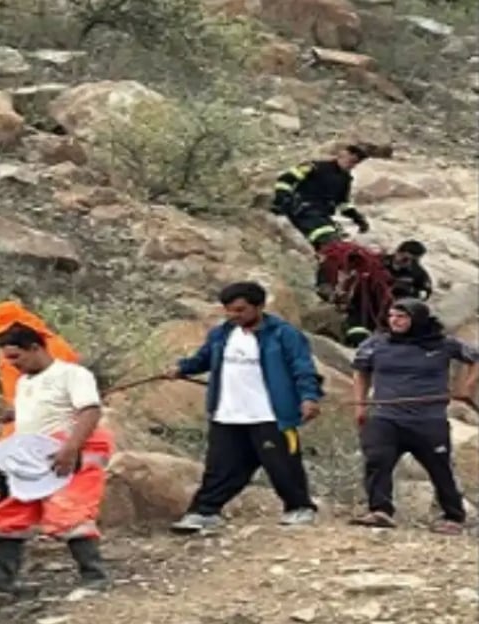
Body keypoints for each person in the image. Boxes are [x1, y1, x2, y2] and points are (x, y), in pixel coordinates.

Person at [168, 282, 324, 533]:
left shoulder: (284, 335)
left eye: (240, 310)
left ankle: (299, 508)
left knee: (282, 465)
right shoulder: (222, 334)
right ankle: (204, 512)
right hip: (228, 413)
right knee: (219, 467)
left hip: (271, 414)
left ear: (259, 306)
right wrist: (182, 367)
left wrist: (309, 397)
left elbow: (302, 369)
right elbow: (204, 358)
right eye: (229, 310)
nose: (234, 316)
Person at [0, 323, 116, 593]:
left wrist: (71, 449)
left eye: (16, 357)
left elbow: (89, 411)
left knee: (70, 511)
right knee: (10, 510)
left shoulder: (72, 374)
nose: (12, 365)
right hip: (31, 455)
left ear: (35, 348)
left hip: (68, 452)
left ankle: (94, 575)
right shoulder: (25, 381)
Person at [350, 300, 478, 534]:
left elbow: (475, 358)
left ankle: (453, 516)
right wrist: (360, 405)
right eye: (391, 316)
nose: (395, 321)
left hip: (428, 420)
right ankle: (380, 510)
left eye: (401, 316)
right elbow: (360, 370)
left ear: (417, 319)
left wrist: (466, 387)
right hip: (385, 416)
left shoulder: (442, 344)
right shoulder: (376, 343)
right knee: (377, 461)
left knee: (440, 469)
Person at [0, 300, 80, 511]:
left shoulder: (52, 348)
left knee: (6, 466)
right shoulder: (15, 346)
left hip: (43, 418)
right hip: (25, 416)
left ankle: (2, 521)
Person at [270, 145, 371, 253]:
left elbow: (342, 202)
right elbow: (285, 179)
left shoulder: (345, 179)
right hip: (303, 209)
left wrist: (357, 218)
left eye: (355, 163)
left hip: (322, 214)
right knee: (326, 238)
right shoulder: (315, 167)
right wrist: (281, 199)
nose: (352, 165)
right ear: (343, 155)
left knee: (340, 242)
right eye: (351, 161)